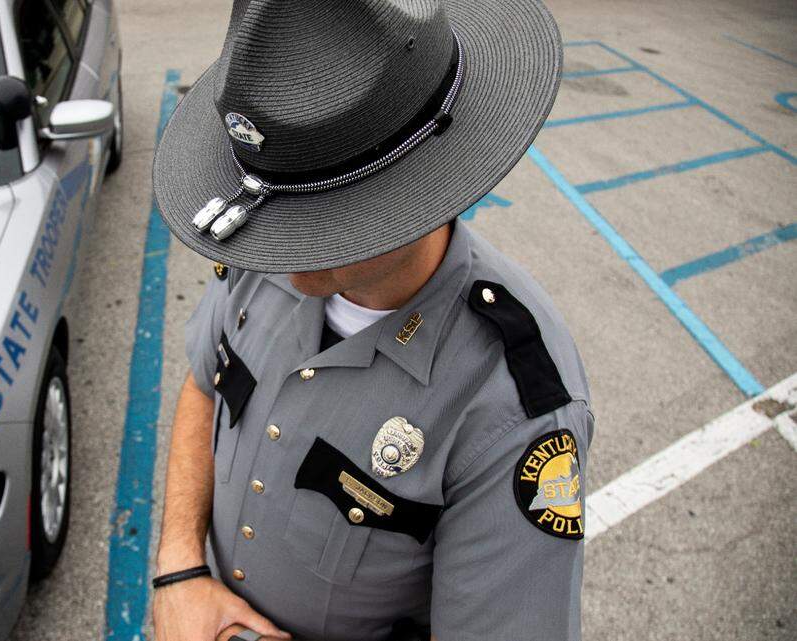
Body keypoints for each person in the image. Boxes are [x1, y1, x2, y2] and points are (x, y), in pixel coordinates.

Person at [149, 1, 591, 640]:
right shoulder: (267, 251)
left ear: (418, 182)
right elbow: (204, 385)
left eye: (322, 210)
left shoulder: (512, 407)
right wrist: (180, 568)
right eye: (280, 202)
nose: (283, 243)